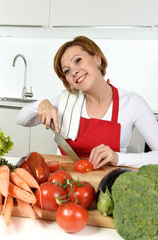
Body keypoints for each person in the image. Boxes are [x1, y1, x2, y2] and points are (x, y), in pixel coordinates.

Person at [17, 36, 158, 169]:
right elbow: (22, 120)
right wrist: (41, 103)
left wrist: (118, 158)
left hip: (109, 184)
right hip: (64, 183)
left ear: (97, 59)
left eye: (77, 60)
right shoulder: (65, 101)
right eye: (67, 71)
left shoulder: (131, 103)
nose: (74, 71)